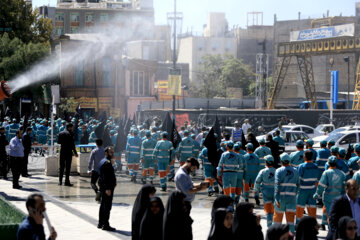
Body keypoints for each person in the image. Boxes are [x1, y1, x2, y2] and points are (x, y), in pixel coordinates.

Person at [314, 156, 346, 235]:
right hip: (339, 198)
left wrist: (317, 194)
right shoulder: (342, 173)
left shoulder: (326, 173)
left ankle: (332, 231)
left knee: (330, 215)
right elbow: (344, 188)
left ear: (328, 163)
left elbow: (321, 185)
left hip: (328, 198)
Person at [274, 153, 299, 233]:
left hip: (281, 198)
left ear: (281, 161)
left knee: (278, 219)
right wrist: (295, 193)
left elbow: (277, 185)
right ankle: (291, 235)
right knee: (291, 220)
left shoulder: (278, 171)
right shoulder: (295, 170)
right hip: (291, 198)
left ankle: (277, 235)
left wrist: (276, 198)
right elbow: (298, 184)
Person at [296, 150, 318, 224]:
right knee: (312, 207)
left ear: (304, 157)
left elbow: (298, 179)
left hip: (302, 190)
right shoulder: (315, 166)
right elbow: (317, 179)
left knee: (300, 207)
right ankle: (313, 224)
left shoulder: (301, 166)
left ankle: (298, 224)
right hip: (312, 190)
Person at [97, 146, 117, 231]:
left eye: (113, 152)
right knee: (107, 206)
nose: (112, 153)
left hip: (104, 187)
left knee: (103, 205)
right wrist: (108, 188)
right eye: (110, 152)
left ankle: (100, 223)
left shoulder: (103, 161)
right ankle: (106, 224)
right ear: (106, 153)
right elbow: (106, 177)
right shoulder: (107, 163)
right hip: (107, 188)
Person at [254, 155, 276, 227]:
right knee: (274, 209)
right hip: (275, 192)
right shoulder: (277, 171)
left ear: (266, 162)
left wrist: (256, 192)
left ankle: (269, 225)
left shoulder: (262, 171)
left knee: (268, 210)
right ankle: (273, 224)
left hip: (266, 193)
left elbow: (257, 182)